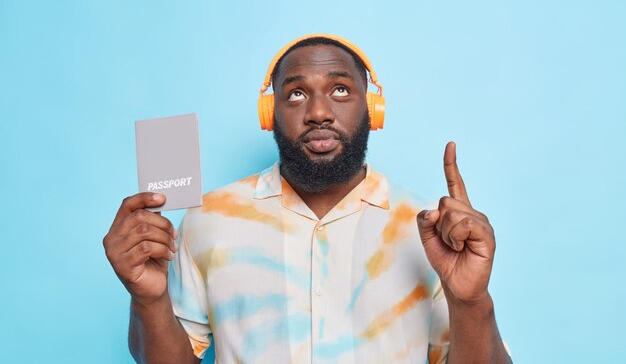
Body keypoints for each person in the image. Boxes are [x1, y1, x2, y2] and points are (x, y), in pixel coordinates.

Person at [104, 34, 513, 364]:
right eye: (296, 94)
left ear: (373, 109)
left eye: (339, 89)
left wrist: (471, 301)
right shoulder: (208, 219)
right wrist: (149, 297)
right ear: (271, 114)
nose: (318, 111)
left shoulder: (430, 230)